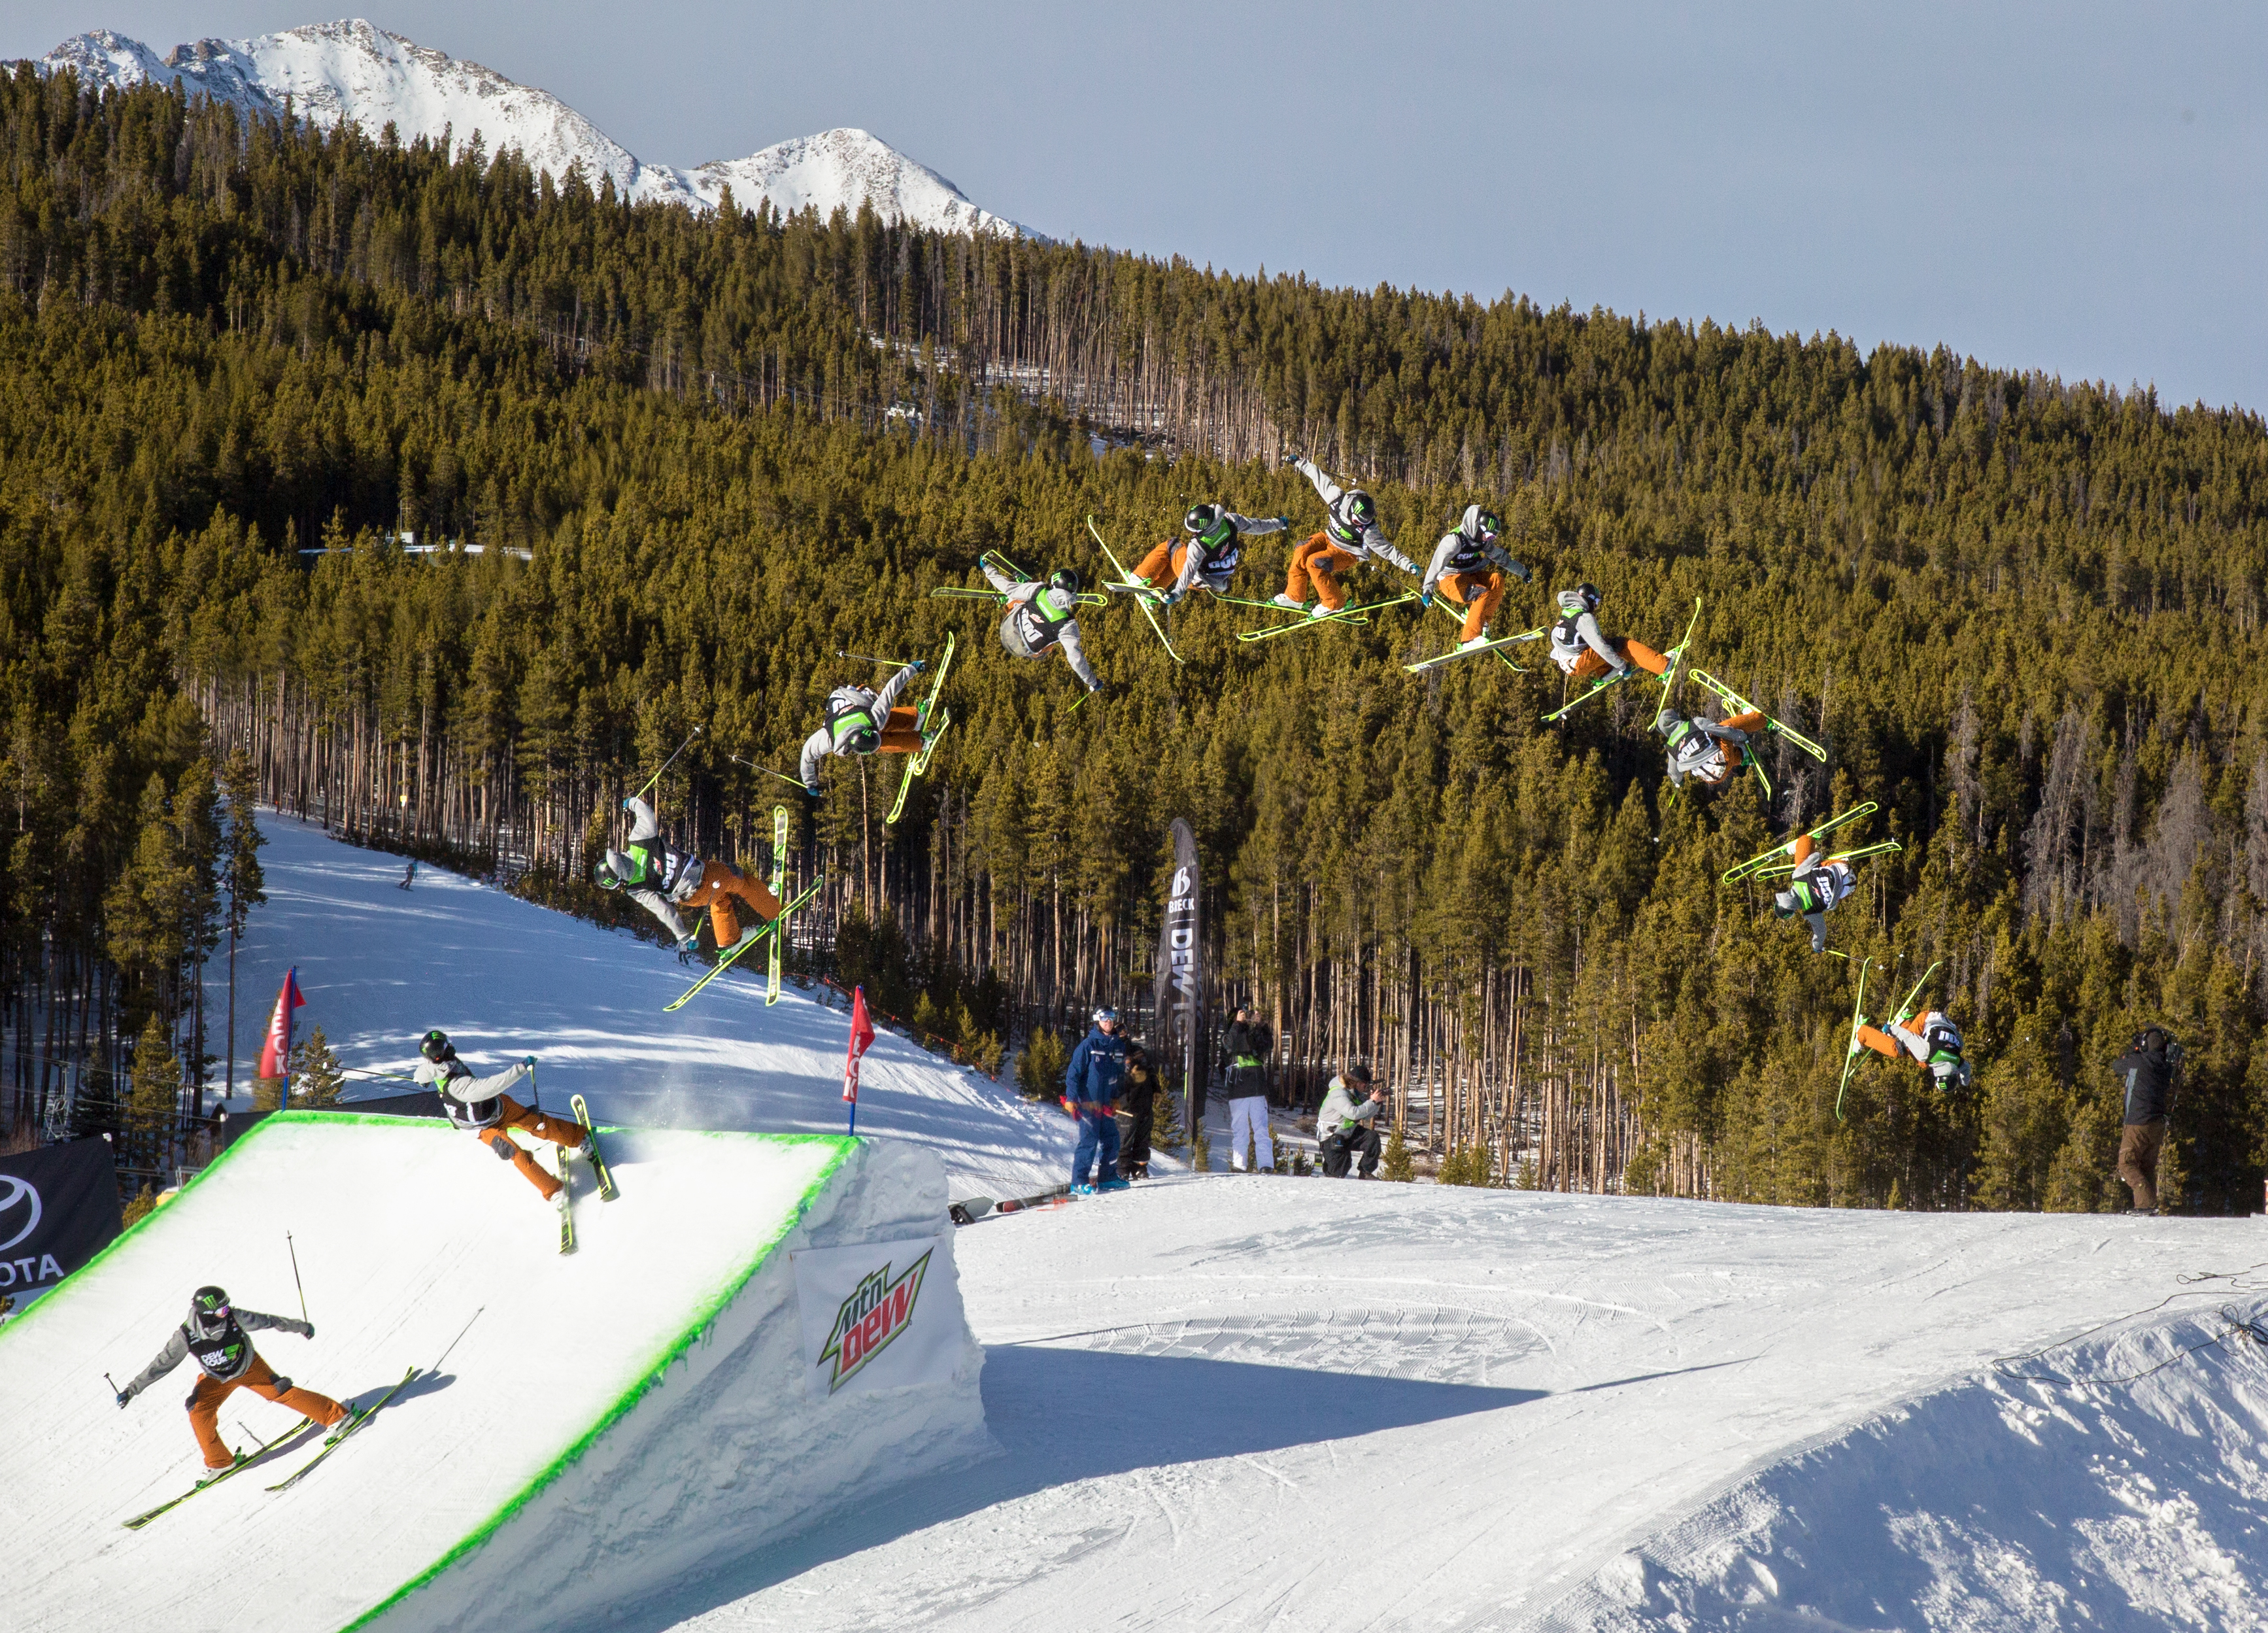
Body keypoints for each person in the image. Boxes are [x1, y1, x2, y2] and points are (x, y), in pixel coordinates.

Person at [115, 1285, 347, 1471]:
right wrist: (131, 1390)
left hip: (248, 1367)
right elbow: (161, 1364)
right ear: (207, 1315)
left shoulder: (235, 1318)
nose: (227, 1312)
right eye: (221, 1310)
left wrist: (301, 1327)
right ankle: (220, 1462)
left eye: (227, 1307)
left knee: (280, 1392)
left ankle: (336, 1416)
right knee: (198, 1410)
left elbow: (269, 1320)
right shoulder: (186, 1336)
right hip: (216, 1378)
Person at [413, 1030, 590, 1202]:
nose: (451, 1045)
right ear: (440, 1054)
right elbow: (492, 1086)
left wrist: (419, 1079)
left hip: (498, 1107)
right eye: (447, 1043)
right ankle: (553, 1191)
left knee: (536, 1123)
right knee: (516, 1154)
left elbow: (423, 1071)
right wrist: (520, 1069)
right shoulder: (458, 1086)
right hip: (483, 1127)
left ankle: (579, 1137)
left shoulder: (439, 1064)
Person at [596, 795, 780, 953]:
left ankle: (729, 941)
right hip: (705, 875)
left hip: (691, 898)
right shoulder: (639, 841)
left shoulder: (636, 888)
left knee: (719, 898)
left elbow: (665, 911)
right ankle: (774, 911)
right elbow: (647, 813)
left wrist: (684, 936)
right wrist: (631, 803)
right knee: (740, 878)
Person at [1277, 453, 1419, 615]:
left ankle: (1334, 604)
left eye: (1365, 522)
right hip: (1328, 538)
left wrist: (1409, 565)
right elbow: (1317, 476)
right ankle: (1295, 597)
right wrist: (1298, 462)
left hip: (1348, 553)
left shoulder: (1369, 529)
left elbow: (1387, 550)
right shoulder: (1336, 498)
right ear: (1351, 510)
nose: (1361, 525)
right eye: (1358, 521)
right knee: (1303, 550)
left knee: (1315, 562)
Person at [796, 658, 934, 794]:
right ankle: (918, 738)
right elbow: (807, 754)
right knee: (879, 741)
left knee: (883, 721)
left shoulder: (873, 717)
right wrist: (810, 783)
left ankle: (917, 720)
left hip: (858, 696)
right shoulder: (830, 736)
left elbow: (890, 691)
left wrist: (912, 669)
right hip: (839, 704)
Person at [1420, 504, 1533, 649]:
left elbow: (1501, 558)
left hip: (1469, 575)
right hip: (1450, 580)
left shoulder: (1482, 542)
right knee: (1481, 593)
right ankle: (1468, 639)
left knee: (1497, 579)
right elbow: (1436, 564)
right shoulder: (1454, 541)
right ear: (1479, 529)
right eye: (1490, 535)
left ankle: (1480, 620)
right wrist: (1428, 590)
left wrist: (1523, 572)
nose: (1490, 539)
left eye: (1493, 537)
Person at [1130, 504, 1288, 603]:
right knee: (1177, 561)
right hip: (1216, 582)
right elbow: (1257, 526)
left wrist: (1177, 594)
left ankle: (1139, 577)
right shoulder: (1230, 521)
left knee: (1171, 546)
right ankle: (1154, 591)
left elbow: (1188, 572)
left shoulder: (1198, 545)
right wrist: (1279, 523)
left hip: (1196, 579)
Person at [984, 562, 1102, 692]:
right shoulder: (1067, 624)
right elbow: (1076, 659)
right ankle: (1016, 596)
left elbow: (1008, 587)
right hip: (1026, 651)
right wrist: (1092, 681)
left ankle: (1011, 599)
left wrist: (988, 569)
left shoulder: (1040, 590)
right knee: (1049, 642)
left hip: (1008, 629)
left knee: (1023, 597)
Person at [2110, 1027, 2182, 1214]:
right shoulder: (2166, 1066)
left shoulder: (2139, 1062)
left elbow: (2117, 1066)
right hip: (2156, 1124)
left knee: (2127, 1164)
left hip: (2137, 1122)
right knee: (2146, 1167)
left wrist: (2132, 1051)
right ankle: (2148, 1207)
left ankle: (2145, 1205)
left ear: (2144, 1045)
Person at [1546, 583, 1669, 685]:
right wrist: (1623, 667)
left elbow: (1559, 637)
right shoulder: (1584, 618)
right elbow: (1601, 648)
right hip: (1578, 664)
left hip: (1567, 663)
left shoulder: (1569, 610)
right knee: (1620, 644)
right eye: (1597, 601)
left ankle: (1607, 672)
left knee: (1601, 641)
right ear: (1590, 599)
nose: (1596, 606)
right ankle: (1663, 666)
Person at [1063, 1007, 1129, 1194]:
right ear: (1097, 1020)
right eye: (1104, 1018)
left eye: (1111, 1017)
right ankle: (1079, 1182)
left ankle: (1108, 1178)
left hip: (1106, 1105)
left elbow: (1118, 1076)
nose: (1108, 1021)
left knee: (1112, 1140)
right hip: (1088, 1104)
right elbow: (1073, 1073)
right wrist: (1071, 1098)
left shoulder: (1118, 1046)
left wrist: (1116, 1098)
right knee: (1089, 1142)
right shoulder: (1089, 1045)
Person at [1852, 1005, 1972, 1092]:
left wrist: (1964, 1083)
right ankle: (1862, 1033)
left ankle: (1903, 1022)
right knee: (1898, 1050)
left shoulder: (1957, 1061)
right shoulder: (1926, 1054)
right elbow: (1908, 1036)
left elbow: (1967, 1069)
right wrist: (1891, 1029)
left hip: (1946, 1023)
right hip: (1926, 1019)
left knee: (1923, 1064)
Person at [1772, 833, 1858, 953]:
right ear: (1784, 896)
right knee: (1804, 847)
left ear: (1793, 911)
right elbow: (1817, 856)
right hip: (1841, 867)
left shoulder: (1810, 912)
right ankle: (1795, 848)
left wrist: (1817, 947)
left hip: (1851, 887)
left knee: (1828, 900)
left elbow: (1821, 931)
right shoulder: (1798, 877)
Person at [1657, 706, 1771, 793]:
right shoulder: (1695, 723)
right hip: (1723, 760)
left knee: (1711, 747)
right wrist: (1741, 736)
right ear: (1676, 718)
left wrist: (1678, 782)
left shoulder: (1671, 747)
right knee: (1722, 727)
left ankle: (1742, 756)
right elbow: (1723, 731)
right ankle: (1759, 719)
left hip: (1712, 779)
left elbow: (1674, 773)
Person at [1217, 1005, 1274, 1173]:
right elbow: (1230, 1045)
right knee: (1240, 1128)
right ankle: (1239, 1164)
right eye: (1241, 1015)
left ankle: (1265, 1165)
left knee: (1261, 1128)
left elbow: (1267, 1044)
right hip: (1239, 1086)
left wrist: (1260, 1024)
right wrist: (1237, 1024)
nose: (1245, 1017)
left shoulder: (1252, 1034)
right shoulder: (1229, 1035)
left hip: (1256, 1087)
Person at [1315, 1064, 1387, 1178]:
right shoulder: (1339, 1093)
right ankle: (1330, 1178)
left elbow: (1366, 1115)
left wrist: (1377, 1103)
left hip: (1347, 1133)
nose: (1366, 1087)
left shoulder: (1353, 1094)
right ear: (1357, 1082)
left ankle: (1365, 1172)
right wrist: (1372, 1102)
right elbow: (1353, 1113)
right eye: (1365, 1084)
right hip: (1331, 1136)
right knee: (1340, 1170)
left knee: (1372, 1138)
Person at [1115, 1039, 1157, 1180]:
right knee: (1125, 1138)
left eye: (1124, 1032)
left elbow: (1151, 1071)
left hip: (1145, 1101)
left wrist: (1157, 1089)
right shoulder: (1113, 1052)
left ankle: (1140, 1168)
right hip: (1126, 1104)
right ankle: (1122, 1169)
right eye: (1118, 1032)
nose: (1122, 1034)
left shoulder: (1138, 1051)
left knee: (1144, 1137)